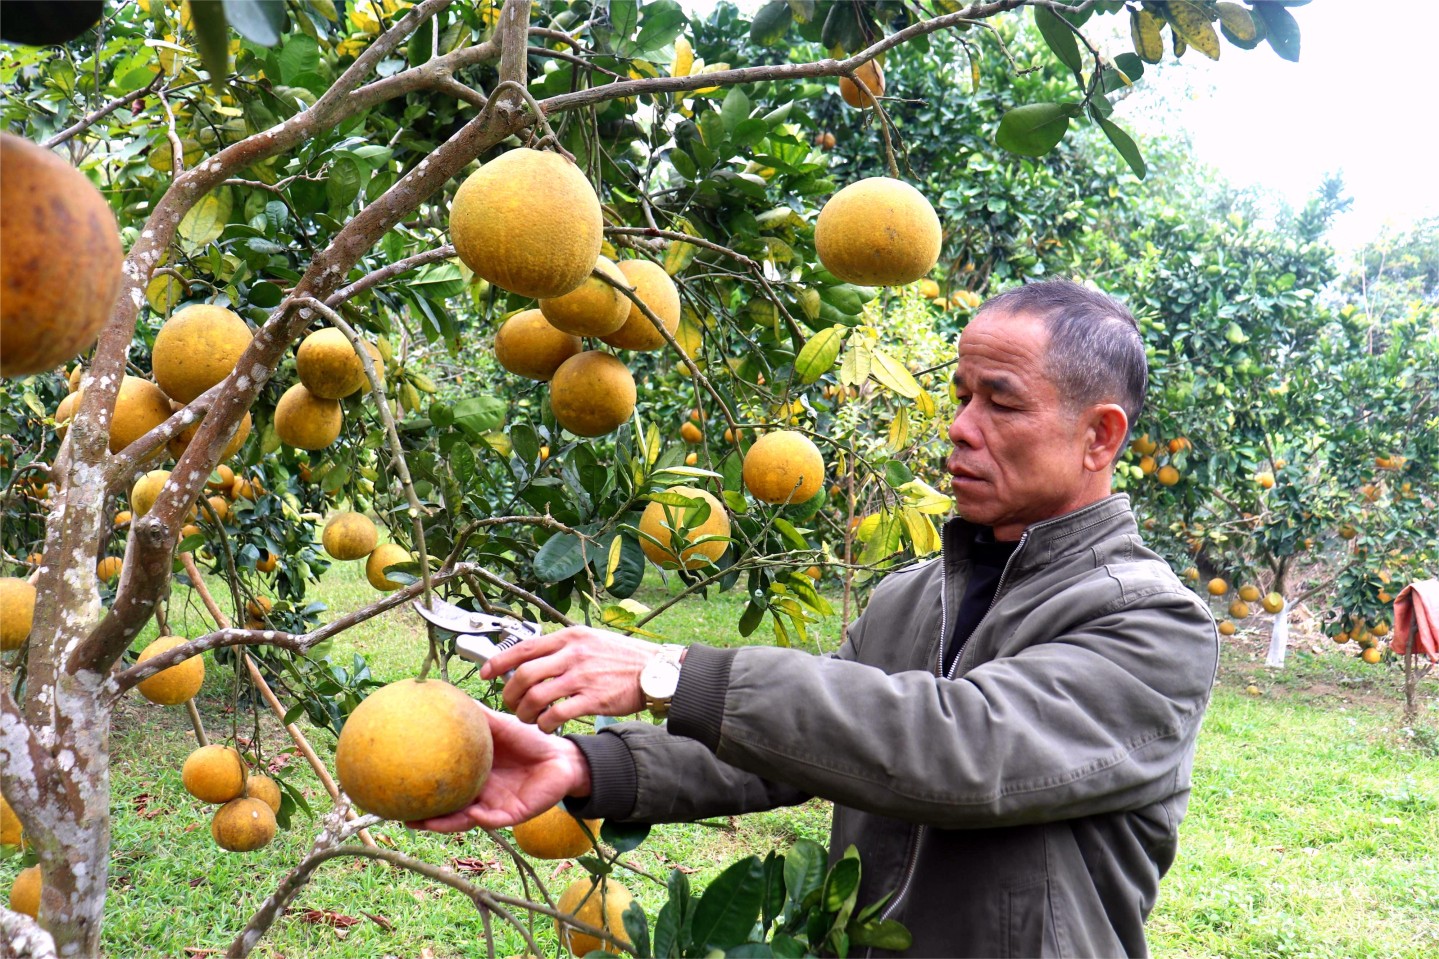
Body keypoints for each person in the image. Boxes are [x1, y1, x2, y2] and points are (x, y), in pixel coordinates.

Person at [416, 279, 1219, 958]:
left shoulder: (1150, 624)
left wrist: (668, 672)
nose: (960, 427)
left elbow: (961, 745)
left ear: (1098, 436)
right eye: (961, 395)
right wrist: (590, 767)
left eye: (999, 402)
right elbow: (792, 749)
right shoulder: (914, 594)